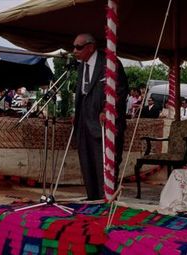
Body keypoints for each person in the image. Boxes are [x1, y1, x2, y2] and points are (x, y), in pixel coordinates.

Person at [73, 33, 129, 200]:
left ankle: (105, 198)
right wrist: (77, 114)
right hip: (84, 116)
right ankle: (92, 198)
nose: (74, 51)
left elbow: (120, 90)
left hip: (102, 118)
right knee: (86, 158)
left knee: (102, 162)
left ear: (91, 47)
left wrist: (108, 110)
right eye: (74, 47)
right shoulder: (81, 65)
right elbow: (82, 91)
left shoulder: (110, 62)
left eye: (79, 47)